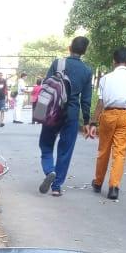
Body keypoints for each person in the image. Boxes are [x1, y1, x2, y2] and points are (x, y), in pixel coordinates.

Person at [38, 36, 95, 197]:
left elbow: (46, 87)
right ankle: (56, 187)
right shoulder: (86, 70)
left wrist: (40, 112)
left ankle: (50, 170)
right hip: (71, 113)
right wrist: (87, 121)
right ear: (84, 51)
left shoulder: (58, 63)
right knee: (65, 150)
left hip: (52, 111)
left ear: (70, 47)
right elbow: (86, 99)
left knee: (46, 145)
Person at [92, 46, 126, 201]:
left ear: (113, 61)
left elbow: (100, 103)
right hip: (125, 115)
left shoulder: (106, 78)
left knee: (104, 150)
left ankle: (98, 182)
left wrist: (93, 122)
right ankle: (114, 187)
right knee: (120, 152)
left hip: (108, 114)